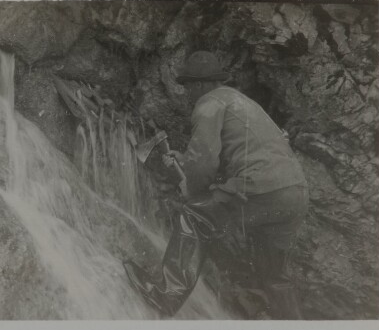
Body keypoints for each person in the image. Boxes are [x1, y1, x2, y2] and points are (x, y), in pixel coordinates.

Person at [122, 51, 309, 319]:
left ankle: (165, 296)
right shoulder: (243, 103)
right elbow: (241, 156)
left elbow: (204, 162)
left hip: (261, 186)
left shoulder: (209, 103)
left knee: (195, 216)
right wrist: (184, 161)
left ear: (199, 85)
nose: (187, 94)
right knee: (274, 275)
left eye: (187, 87)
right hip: (295, 192)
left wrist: (191, 189)